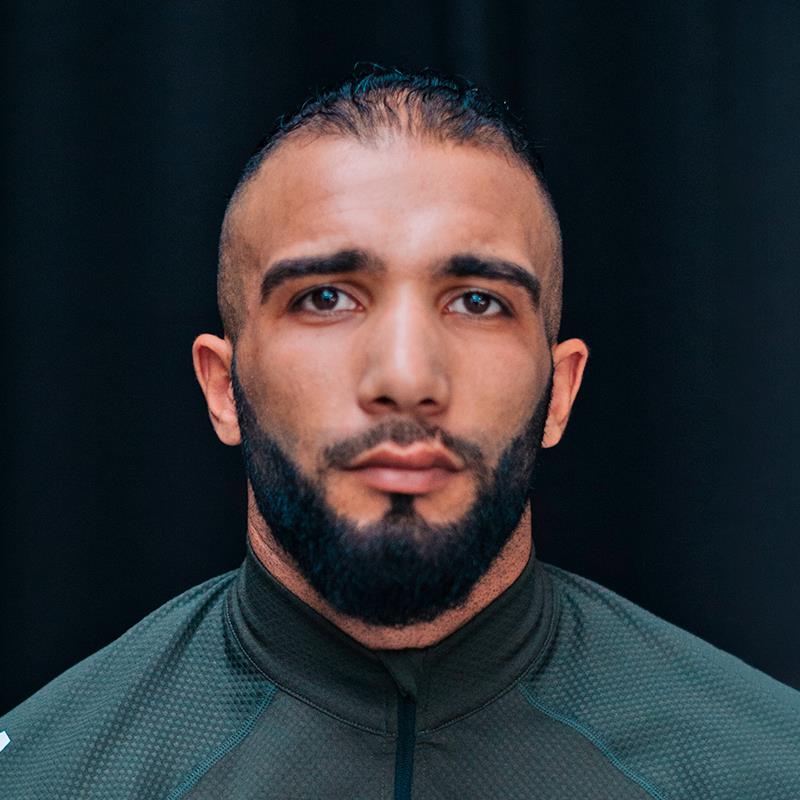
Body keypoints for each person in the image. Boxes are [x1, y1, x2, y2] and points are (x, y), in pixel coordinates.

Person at [1, 65, 798, 800]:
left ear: (560, 393)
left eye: (478, 301)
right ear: (223, 387)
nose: (408, 376)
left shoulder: (765, 768)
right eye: (325, 298)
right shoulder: (45, 776)